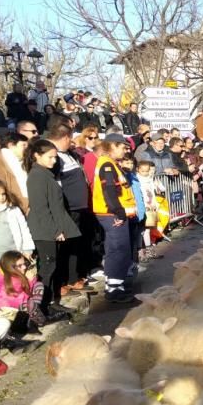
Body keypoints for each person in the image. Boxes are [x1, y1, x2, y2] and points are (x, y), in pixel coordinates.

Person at [24, 139, 80, 320]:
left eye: (55, 157)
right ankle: (43, 307)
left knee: (54, 267)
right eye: (50, 157)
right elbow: (41, 208)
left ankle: (52, 302)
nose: (54, 161)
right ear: (36, 156)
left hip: (50, 229)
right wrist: (55, 230)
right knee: (48, 269)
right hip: (44, 231)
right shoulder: (37, 176)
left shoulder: (45, 174)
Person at [92, 134, 138, 303]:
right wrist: (118, 212)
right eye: (123, 147)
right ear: (113, 146)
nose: (125, 151)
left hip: (111, 213)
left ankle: (113, 285)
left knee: (114, 249)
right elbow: (109, 190)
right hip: (112, 213)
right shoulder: (107, 165)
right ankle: (115, 289)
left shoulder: (110, 164)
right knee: (119, 250)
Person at [46, 126, 92, 292]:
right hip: (67, 208)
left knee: (75, 245)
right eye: (70, 138)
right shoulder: (53, 156)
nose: (72, 142)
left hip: (78, 208)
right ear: (64, 137)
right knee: (64, 247)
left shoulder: (69, 154)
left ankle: (73, 277)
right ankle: (61, 281)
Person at [0, 178, 34, 301]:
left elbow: (24, 229)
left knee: (12, 284)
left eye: (3, 194)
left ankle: (15, 307)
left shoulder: (12, 210)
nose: (1, 197)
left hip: (11, 256)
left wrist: (27, 249)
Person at [0, 251, 48, 329]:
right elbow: (20, 298)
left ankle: (34, 311)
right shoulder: (11, 280)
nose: (24, 267)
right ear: (11, 267)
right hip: (6, 312)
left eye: (24, 264)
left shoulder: (10, 273)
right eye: (20, 265)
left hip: (16, 304)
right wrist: (30, 280)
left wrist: (31, 279)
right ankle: (35, 318)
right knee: (30, 304)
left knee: (38, 285)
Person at [0, 132, 30, 213]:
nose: (27, 149)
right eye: (23, 145)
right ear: (11, 145)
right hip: (9, 212)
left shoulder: (23, 163)